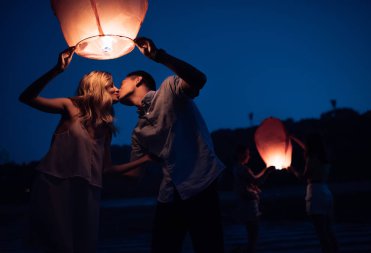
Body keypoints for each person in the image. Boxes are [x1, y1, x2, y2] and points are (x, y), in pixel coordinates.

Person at [117, 37, 225, 253]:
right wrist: (102, 163)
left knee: (209, 248)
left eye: (122, 82)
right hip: (169, 194)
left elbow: (199, 79)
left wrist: (159, 56)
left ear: (138, 80)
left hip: (200, 184)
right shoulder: (138, 132)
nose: (118, 87)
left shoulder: (169, 89)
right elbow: (134, 176)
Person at [19, 47, 119, 253]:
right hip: (55, 185)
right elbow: (27, 98)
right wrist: (57, 70)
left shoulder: (106, 128)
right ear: (98, 89)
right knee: (58, 245)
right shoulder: (69, 106)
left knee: (84, 247)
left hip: (89, 190)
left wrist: (147, 159)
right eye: (111, 86)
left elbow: (107, 169)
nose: (117, 89)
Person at [288, 133, 339, 253]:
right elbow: (305, 148)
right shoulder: (325, 157)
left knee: (321, 233)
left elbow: (303, 177)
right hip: (326, 191)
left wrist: (292, 170)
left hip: (315, 193)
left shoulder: (311, 159)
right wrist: (294, 138)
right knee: (329, 230)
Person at [232, 144, 274, 253]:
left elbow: (253, 179)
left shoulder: (237, 168)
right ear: (240, 154)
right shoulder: (242, 169)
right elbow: (256, 181)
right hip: (249, 206)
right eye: (247, 154)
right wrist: (267, 172)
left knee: (252, 235)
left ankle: (241, 250)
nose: (249, 156)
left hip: (244, 205)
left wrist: (265, 170)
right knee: (253, 237)